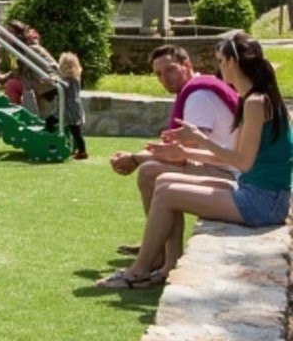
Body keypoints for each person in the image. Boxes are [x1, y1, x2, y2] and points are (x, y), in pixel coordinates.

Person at [96, 32, 293, 289]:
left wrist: (198, 138)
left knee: (167, 194)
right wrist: (184, 152)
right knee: (164, 181)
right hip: (257, 192)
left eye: (220, 60)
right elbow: (234, 154)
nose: (219, 67)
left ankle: (139, 271)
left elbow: (242, 162)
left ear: (232, 63)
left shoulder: (256, 103)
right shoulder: (255, 99)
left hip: (263, 202)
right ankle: (167, 264)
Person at [107, 44, 238, 261]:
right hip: (221, 167)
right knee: (153, 170)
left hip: (232, 176)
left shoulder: (198, 97)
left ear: (187, 65)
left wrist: (135, 158)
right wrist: (136, 156)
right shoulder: (197, 90)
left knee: (150, 172)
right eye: (158, 74)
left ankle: (161, 255)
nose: (164, 78)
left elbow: (182, 154)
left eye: (170, 70)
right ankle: (163, 251)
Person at [0, 20, 58, 117]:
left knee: (12, 85)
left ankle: (14, 117)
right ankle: (16, 114)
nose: (6, 36)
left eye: (10, 32)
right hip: (43, 81)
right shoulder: (24, 48)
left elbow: (20, 71)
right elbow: (19, 69)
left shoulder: (29, 49)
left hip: (46, 84)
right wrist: (4, 77)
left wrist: (5, 78)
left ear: (18, 35)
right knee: (13, 83)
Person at [58, 52, 88, 160]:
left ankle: (82, 151)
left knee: (75, 131)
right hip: (76, 105)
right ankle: (80, 150)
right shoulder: (76, 78)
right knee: (76, 131)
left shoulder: (67, 80)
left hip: (69, 107)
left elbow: (63, 86)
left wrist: (53, 80)